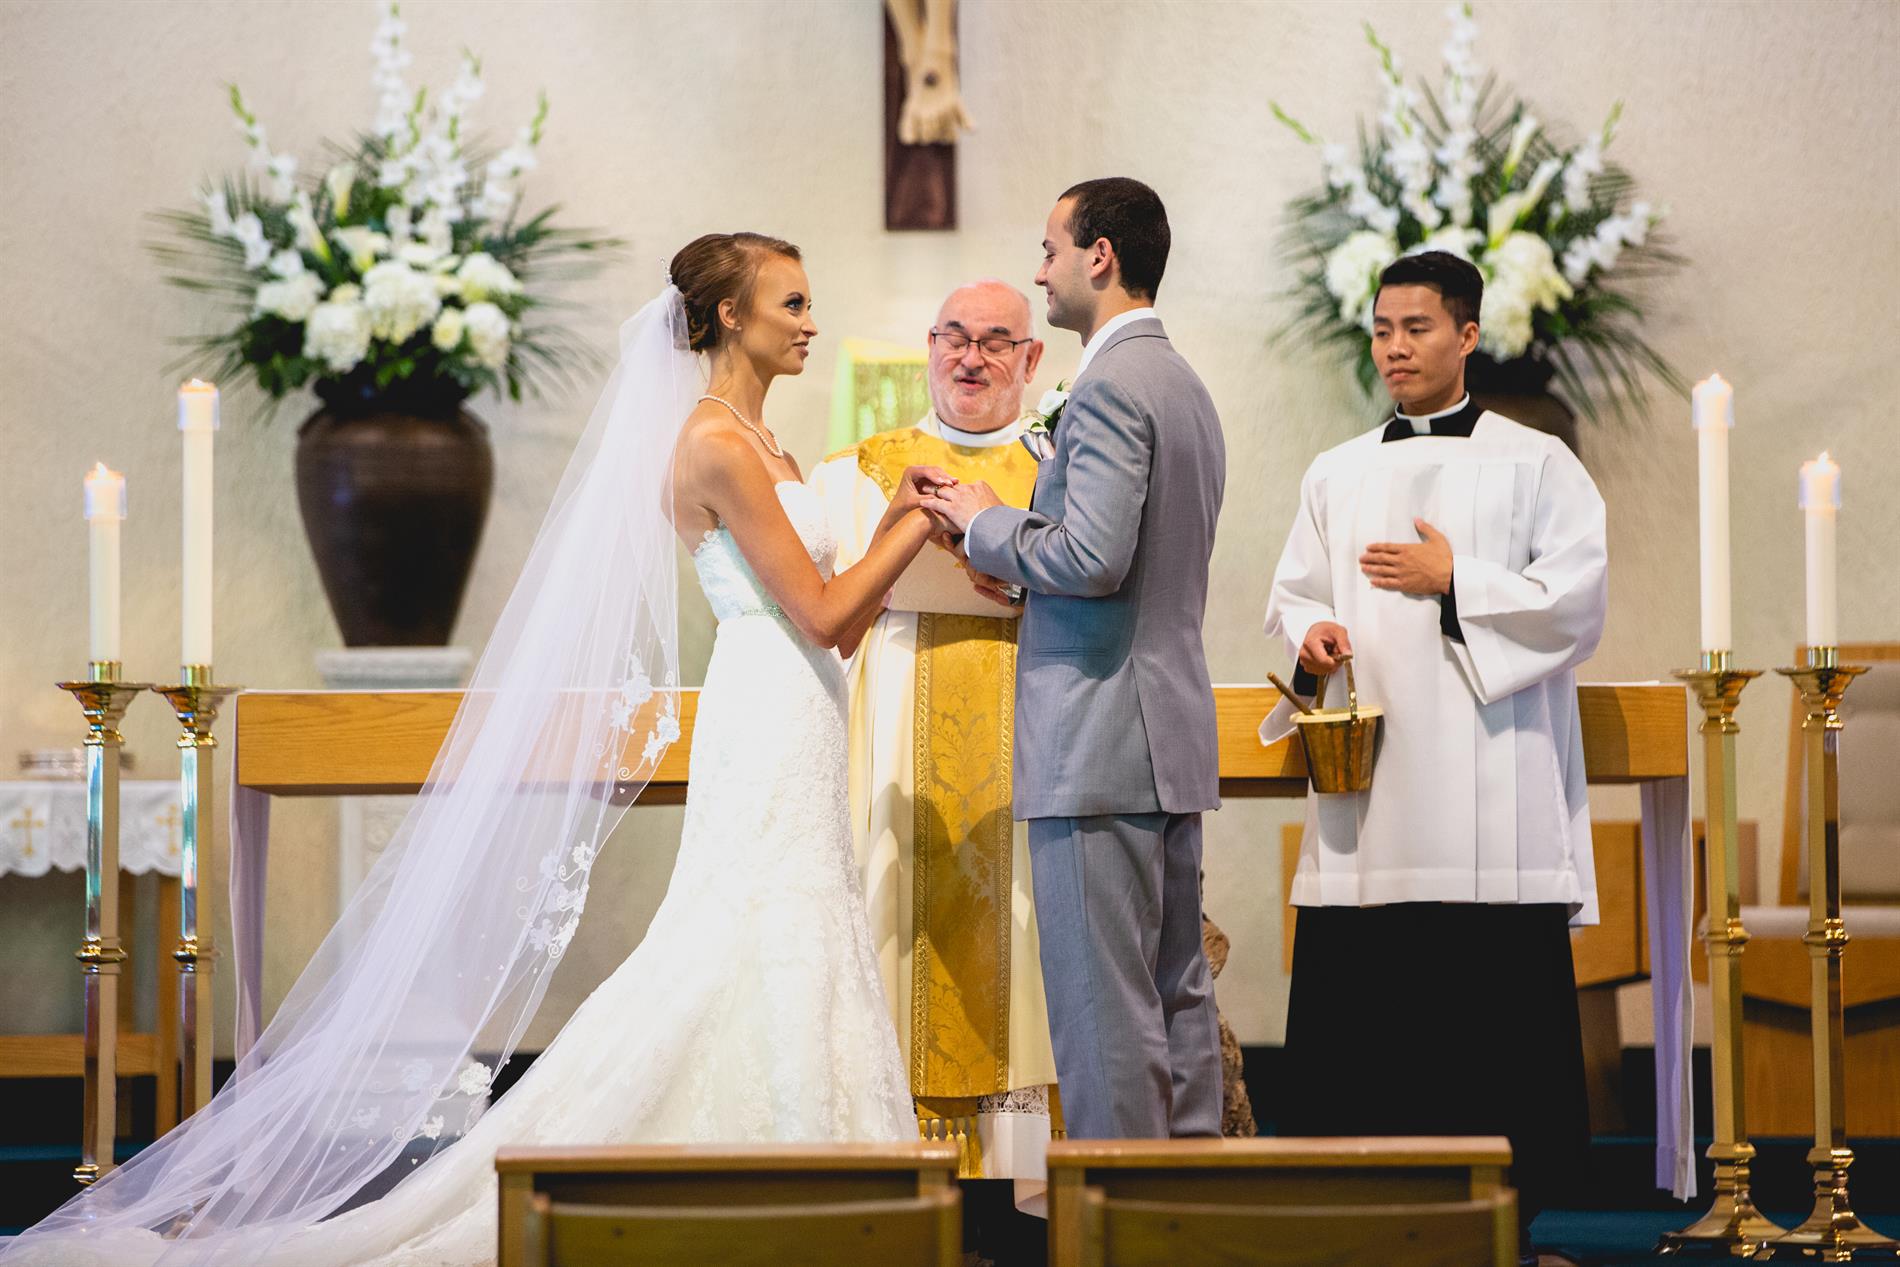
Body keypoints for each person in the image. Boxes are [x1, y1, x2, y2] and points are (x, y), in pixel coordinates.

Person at [2, 233, 950, 1266]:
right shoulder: (714, 441)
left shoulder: (772, 446)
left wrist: (899, 518)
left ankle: (801, 1165)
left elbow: (837, 621)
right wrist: (916, 524)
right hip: (767, 700)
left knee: (799, 917)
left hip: (805, 702)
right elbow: (821, 613)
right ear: (731, 314)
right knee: (757, 922)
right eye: (793, 302)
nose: (811, 322)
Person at [1262, 250, 1607, 1260]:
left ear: (1467, 334)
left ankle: (1504, 1220)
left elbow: (1576, 603)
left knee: (1490, 1021)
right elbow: (1295, 591)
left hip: (1488, 794)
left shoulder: (1536, 462)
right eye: (1381, 329)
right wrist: (1313, 635)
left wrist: (1457, 579)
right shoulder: (1336, 471)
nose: (1394, 347)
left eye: (1416, 328)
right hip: (1373, 805)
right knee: (1366, 1018)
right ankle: (1365, 1219)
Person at [928, 178, 1226, 1140]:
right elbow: (1139, 564)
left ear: (1101, 256)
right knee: (1177, 998)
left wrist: (986, 523)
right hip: (1163, 730)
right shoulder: (1182, 383)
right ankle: (1188, 1203)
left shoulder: (1107, 386)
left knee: (1105, 1017)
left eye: (1050, 249)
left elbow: (1094, 558)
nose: (1041, 270)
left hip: (1096, 739)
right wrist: (1026, 577)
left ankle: (1117, 1211)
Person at [807, 279, 1059, 1181]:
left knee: (1022, 940)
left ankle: (1017, 1172)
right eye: (954, 337)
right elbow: (822, 607)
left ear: (1031, 359)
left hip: (1027, 749)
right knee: (889, 929)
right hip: (892, 751)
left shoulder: (1063, 467)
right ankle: (891, 1162)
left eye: (995, 341)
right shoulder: (861, 471)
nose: (970, 358)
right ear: (929, 346)